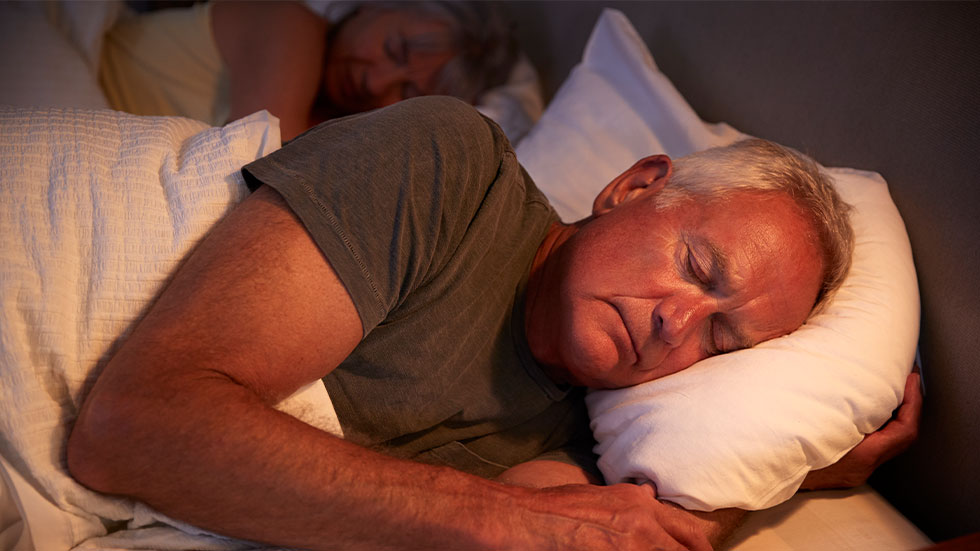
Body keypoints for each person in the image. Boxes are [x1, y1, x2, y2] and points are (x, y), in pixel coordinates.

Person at [66, 96, 920, 550]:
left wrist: (786, 476)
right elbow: (137, 423)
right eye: (697, 269)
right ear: (632, 186)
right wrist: (506, 521)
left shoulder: (576, 445)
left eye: (720, 340)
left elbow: (617, 540)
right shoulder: (453, 168)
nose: (676, 325)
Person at [99, 1, 518, 140]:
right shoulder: (291, 28)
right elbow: (244, 177)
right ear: (379, 6)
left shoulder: (332, 130)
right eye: (395, 48)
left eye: (407, 93)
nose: (376, 81)